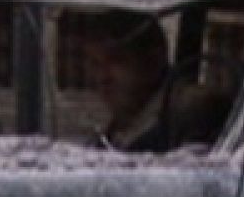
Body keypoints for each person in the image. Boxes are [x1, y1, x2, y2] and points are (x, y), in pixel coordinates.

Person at [79, 11, 228, 153]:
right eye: (95, 64)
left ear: (153, 59)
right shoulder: (116, 130)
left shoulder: (193, 112)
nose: (102, 77)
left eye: (116, 60)